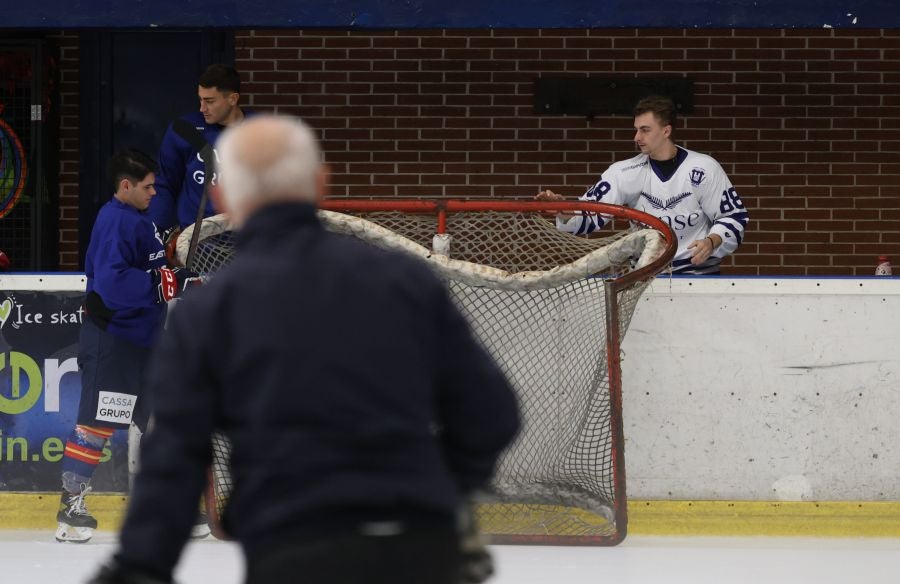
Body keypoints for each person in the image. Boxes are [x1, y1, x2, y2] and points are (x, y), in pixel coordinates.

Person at [87, 115, 521, 584]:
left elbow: (174, 459)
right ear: (320, 182)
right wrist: (441, 490)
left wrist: (138, 567)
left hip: (294, 547)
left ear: (223, 198)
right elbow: (492, 413)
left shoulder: (211, 310)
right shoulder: (404, 281)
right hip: (424, 547)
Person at [56, 150, 199, 543]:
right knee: (97, 424)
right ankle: (70, 508)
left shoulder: (139, 218)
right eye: (148, 186)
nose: (155, 192)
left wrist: (174, 276)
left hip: (146, 340)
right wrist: (160, 285)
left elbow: (148, 268)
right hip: (114, 342)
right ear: (126, 186)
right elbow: (111, 283)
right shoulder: (115, 221)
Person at [536, 95, 749, 275]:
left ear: (666, 131)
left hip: (698, 275)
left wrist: (712, 240)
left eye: (645, 130)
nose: (637, 137)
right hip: (645, 277)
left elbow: (734, 217)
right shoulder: (623, 172)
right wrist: (564, 211)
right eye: (636, 129)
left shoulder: (704, 168)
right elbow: (591, 213)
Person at [148, 64, 253, 236]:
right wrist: (157, 233)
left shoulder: (261, 131)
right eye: (201, 99)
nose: (202, 108)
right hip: (196, 242)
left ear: (233, 99)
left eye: (210, 101)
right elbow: (164, 185)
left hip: (247, 238)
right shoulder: (184, 129)